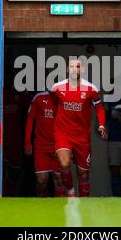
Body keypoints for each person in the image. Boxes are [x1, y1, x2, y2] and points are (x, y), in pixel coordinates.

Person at [50, 58, 107, 197]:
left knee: (83, 175)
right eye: (72, 67)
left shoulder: (91, 89)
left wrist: (101, 125)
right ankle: (70, 190)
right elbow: (53, 104)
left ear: (82, 70)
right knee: (64, 164)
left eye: (78, 66)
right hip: (63, 132)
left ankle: (83, 204)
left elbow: (99, 108)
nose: (75, 69)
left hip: (82, 137)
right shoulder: (57, 87)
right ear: (68, 69)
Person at [24, 91, 66, 197]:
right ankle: (42, 207)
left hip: (59, 146)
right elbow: (30, 120)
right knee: (41, 181)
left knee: (60, 180)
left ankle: (60, 209)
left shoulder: (65, 100)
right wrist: (27, 142)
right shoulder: (39, 98)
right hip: (41, 146)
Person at [105, 102, 121, 197]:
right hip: (114, 139)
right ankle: (117, 197)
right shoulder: (109, 101)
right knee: (115, 170)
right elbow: (104, 119)